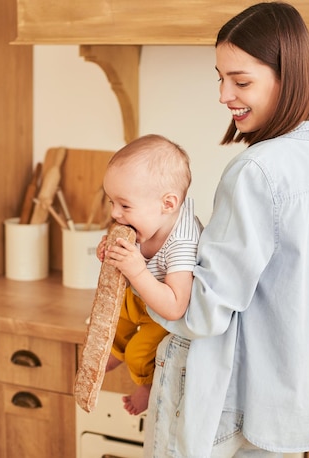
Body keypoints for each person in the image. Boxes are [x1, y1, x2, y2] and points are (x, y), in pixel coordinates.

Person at [143, 2, 309, 457]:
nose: (224, 95)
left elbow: (203, 314)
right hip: (299, 406)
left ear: (289, 76)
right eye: (220, 77)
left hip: (234, 407)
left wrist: (145, 263)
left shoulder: (256, 171)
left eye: (241, 81)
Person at [98, 134, 203, 415]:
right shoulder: (147, 219)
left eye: (124, 205)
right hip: (139, 297)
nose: (115, 214)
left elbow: (175, 306)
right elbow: (129, 257)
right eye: (111, 202)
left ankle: (146, 382)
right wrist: (111, 252)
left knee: (139, 353)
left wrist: (137, 270)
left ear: (167, 204)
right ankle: (115, 352)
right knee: (115, 318)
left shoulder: (182, 243)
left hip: (163, 313)